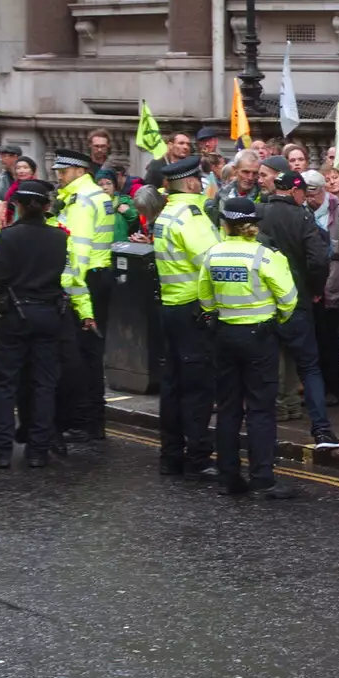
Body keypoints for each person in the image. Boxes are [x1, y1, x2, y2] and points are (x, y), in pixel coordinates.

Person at [199, 196, 301, 499]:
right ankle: (262, 479)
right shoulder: (265, 257)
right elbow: (289, 298)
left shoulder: (212, 255)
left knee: (229, 408)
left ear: (226, 224)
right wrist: (275, 319)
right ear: (252, 226)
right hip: (259, 338)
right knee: (260, 409)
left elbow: (205, 298)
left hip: (224, 335)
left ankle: (229, 477)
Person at [0, 178, 69, 469]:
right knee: (44, 383)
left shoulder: (9, 237)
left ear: (18, 205)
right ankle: (38, 450)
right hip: (48, 315)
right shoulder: (59, 238)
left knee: (5, 383)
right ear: (47, 207)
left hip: (15, 316)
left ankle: (0, 450)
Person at [151, 156, 222, 476]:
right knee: (197, 387)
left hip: (171, 307)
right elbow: (212, 261)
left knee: (173, 385)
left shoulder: (166, 213)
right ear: (193, 183)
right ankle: (197, 456)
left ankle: (171, 455)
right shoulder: (192, 215)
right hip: (193, 309)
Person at [257, 169, 338, 445]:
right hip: (297, 301)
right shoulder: (301, 216)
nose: (305, 199)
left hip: (263, 303)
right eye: (303, 193)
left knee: (267, 367)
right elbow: (319, 259)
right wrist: (315, 289)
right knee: (309, 367)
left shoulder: (259, 213)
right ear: (294, 191)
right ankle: (322, 429)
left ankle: (264, 430)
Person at [54, 147, 117, 442]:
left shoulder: (80, 201)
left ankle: (83, 420)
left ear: (80, 171)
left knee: (79, 355)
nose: (59, 176)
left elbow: (76, 251)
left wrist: (71, 292)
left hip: (84, 281)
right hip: (99, 276)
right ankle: (94, 420)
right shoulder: (98, 196)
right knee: (92, 354)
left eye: (63, 171)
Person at [98, 168, 142, 241]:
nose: (105, 187)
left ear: (114, 186)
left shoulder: (124, 200)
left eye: (109, 183)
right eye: (100, 184)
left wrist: (128, 212)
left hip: (123, 245)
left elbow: (137, 220)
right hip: (102, 245)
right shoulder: (93, 203)